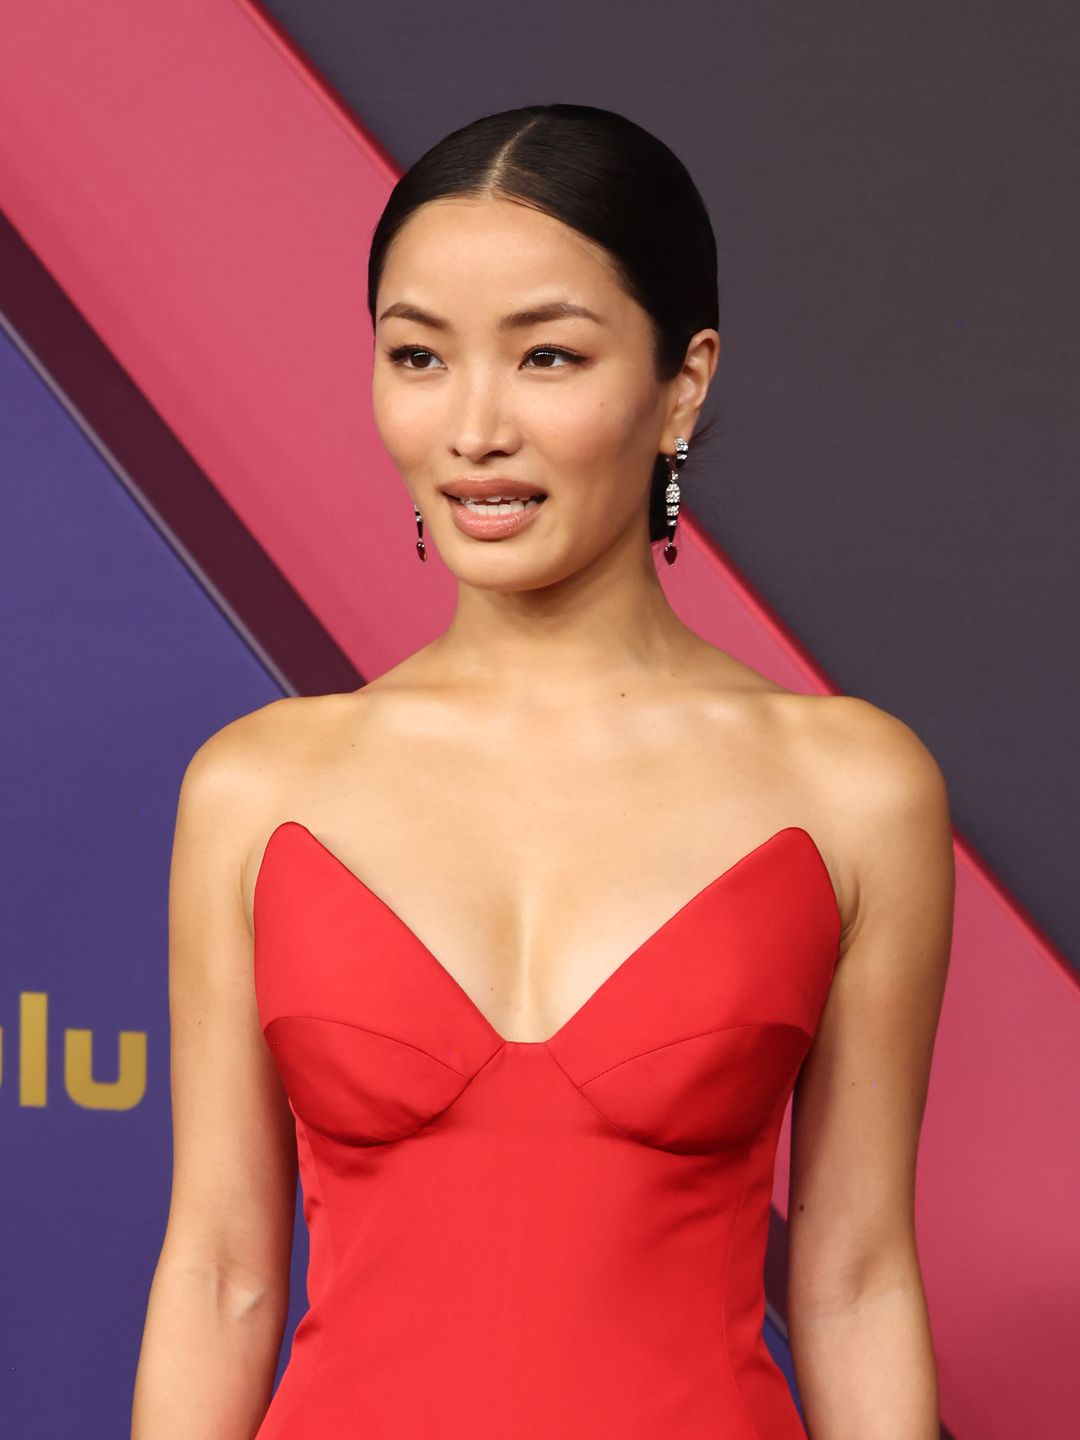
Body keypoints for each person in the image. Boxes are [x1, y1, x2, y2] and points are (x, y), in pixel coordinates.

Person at [131, 103, 955, 1439]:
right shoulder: (256, 790)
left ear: (682, 384)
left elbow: (857, 1283)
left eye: (549, 357)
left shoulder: (856, 790)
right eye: (418, 355)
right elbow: (220, 1275)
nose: (472, 427)